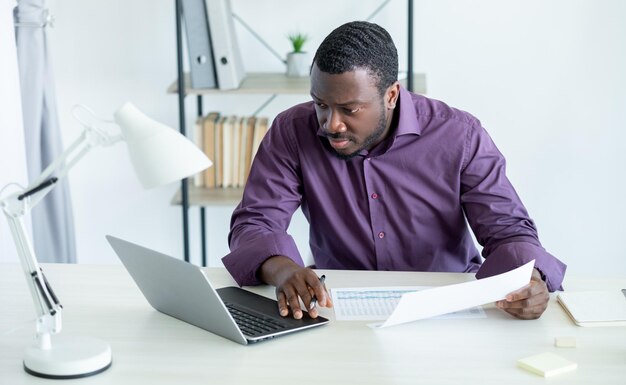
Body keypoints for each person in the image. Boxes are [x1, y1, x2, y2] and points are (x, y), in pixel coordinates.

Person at [222, 21, 566, 321]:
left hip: (448, 304)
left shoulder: (460, 134)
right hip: (336, 304)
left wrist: (530, 281)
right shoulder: (291, 131)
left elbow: (507, 229)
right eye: (321, 105)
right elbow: (255, 221)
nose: (331, 124)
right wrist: (284, 270)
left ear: (391, 94)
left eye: (349, 109)